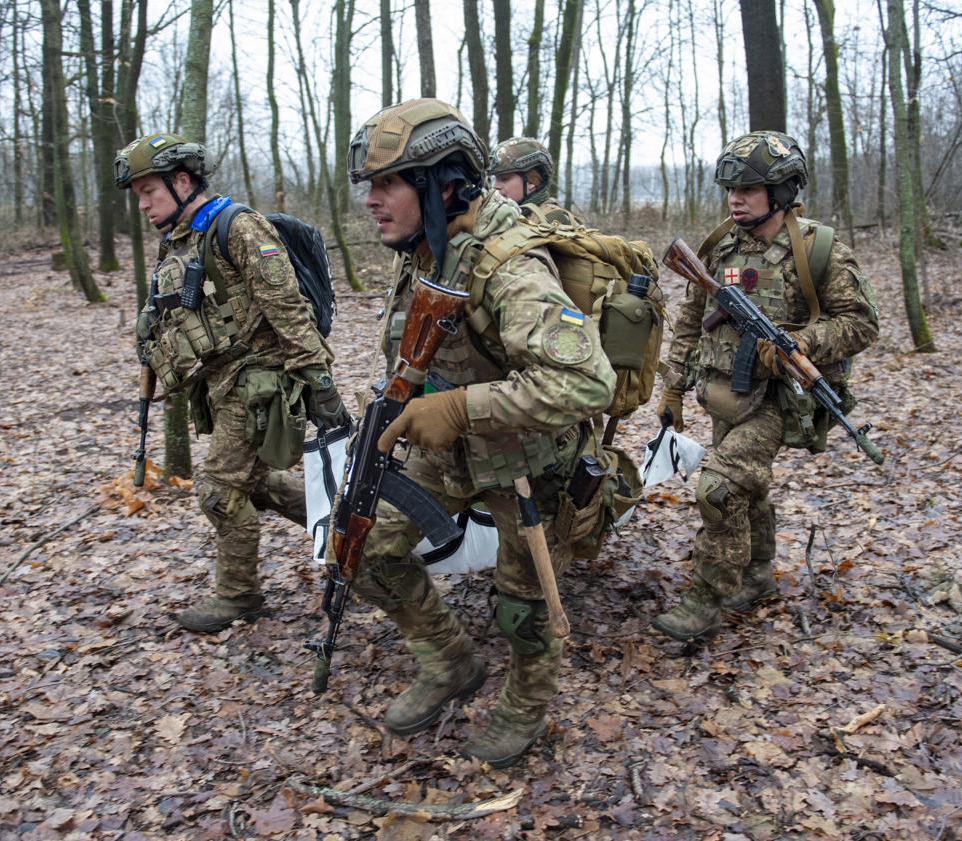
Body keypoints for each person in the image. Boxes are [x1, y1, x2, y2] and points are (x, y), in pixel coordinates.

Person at [343, 100, 615, 768]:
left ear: (443, 183)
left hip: (531, 461)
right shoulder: (428, 246)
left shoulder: (508, 262)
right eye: (369, 187)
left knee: (523, 611)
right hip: (452, 454)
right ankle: (450, 661)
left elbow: (587, 382)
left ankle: (526, 702)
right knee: (363, 549)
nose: (372, 201)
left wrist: (461, 408)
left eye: (388, 184)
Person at [116, 133, 349, 633]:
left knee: (219, 490)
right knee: (256, 485)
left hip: (259, 380)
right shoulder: (180, 237)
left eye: (148, 191)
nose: (142, 204)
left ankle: (239, 596)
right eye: (137, 195)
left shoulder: (237, 227)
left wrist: (321, 385)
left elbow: (287, 308)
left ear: (182, 181)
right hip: (220, 383)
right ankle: (350, 526)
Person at [653, 131, 879, 642]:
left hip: (778, 398)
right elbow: (692, 318)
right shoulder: (720, 247)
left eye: (749, 189)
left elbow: (862, 323)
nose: (735, 198)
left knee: (719, 485)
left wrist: (798, 345)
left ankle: (707, 599)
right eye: (730, 188)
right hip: (723, 392)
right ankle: (756, 575)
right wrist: (672, 389)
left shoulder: (818, 249)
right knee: (748, 491)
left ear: (782, 192)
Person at [488, 137, 578, 225]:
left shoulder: (554, 221)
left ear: (531, 182)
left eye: (504, 179)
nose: (495, 186)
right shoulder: (504, 215)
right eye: (496, 178)